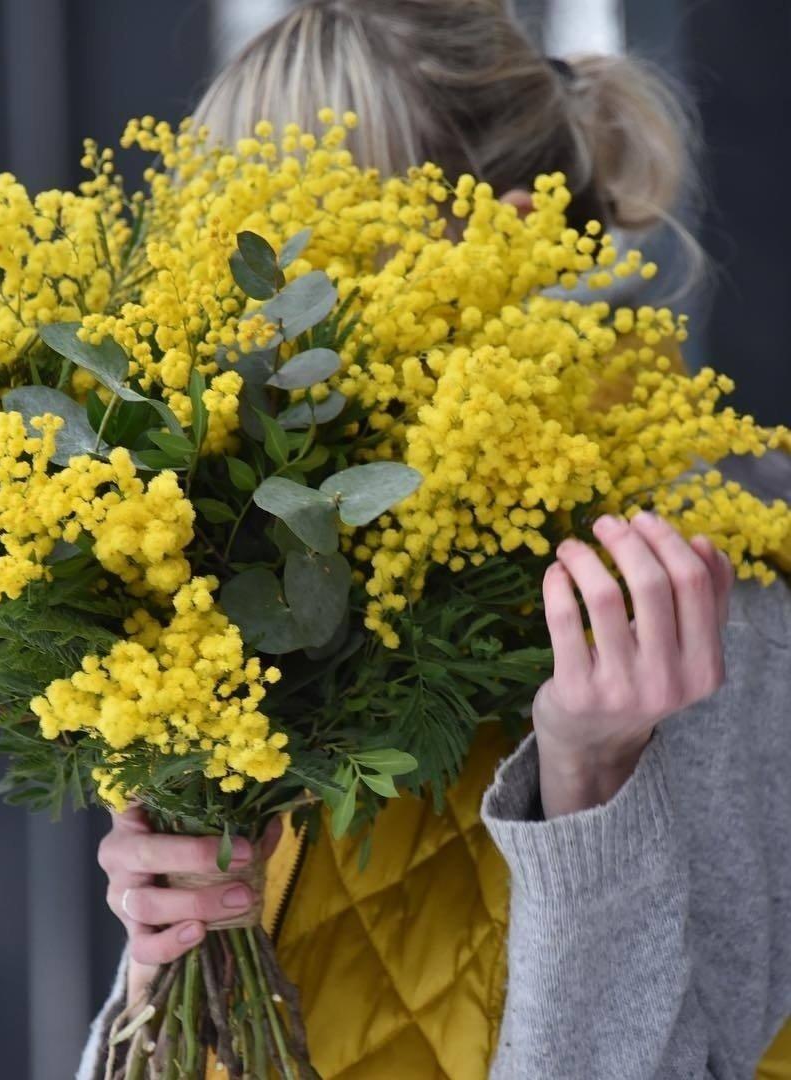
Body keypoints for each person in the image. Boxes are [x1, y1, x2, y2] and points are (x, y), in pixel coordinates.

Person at [81, 1, 791, 1076]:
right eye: (233, 251)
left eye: (309, 253)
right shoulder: (267, 567)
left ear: (504, 241)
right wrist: (156, 968)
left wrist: (592, 781)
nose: (255, 324)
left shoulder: (701, 596)